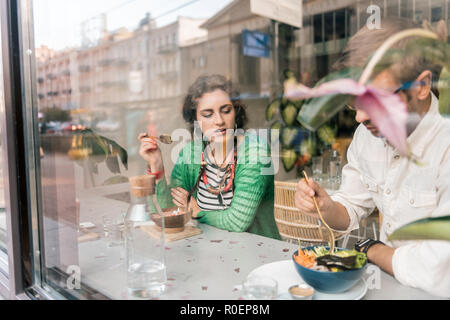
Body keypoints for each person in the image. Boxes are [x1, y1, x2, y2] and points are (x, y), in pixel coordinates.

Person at [295, 18, 450, 298]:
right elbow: (351, 207)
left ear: (422, 85)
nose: (360, 116)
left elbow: (438, 268)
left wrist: (372, 249)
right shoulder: (367, 137)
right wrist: (327, 206)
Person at [138, 74, 281, 240]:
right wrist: (157, 166)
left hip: (256, 254)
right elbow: (166, 212)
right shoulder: (191, 153)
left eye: (226, 111)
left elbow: (237, 222)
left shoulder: (255, 152)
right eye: (208, 114)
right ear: (195, 119)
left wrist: (197, 211)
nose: (219, 121)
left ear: (236, 112)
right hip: (206, 253)